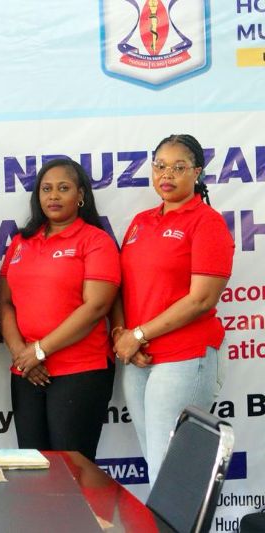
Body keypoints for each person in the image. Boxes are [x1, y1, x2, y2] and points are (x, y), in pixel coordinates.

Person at [112, 134, 233, 484]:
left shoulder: (207, 222)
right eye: (160, 166)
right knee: (157, 462)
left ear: (197, 172)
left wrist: (137, 334)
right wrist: (122, 334)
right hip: (139, 358)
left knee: (170, 470)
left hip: (184, 356)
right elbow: (122, 286)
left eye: (179, 167)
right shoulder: (140, 221)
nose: (167, 174)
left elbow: (201, 299)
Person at [0, 159, 119, 462]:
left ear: (80, 195)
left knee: (74, 470)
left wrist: (40, 350)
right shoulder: (21, 242)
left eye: (63, 188)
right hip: (27, 371)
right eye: (46, 189)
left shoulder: (96, 241)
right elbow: (5, 302)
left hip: (80, 371)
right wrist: (22, 354)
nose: (53, 196)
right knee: (33, 468)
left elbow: (97, 306)